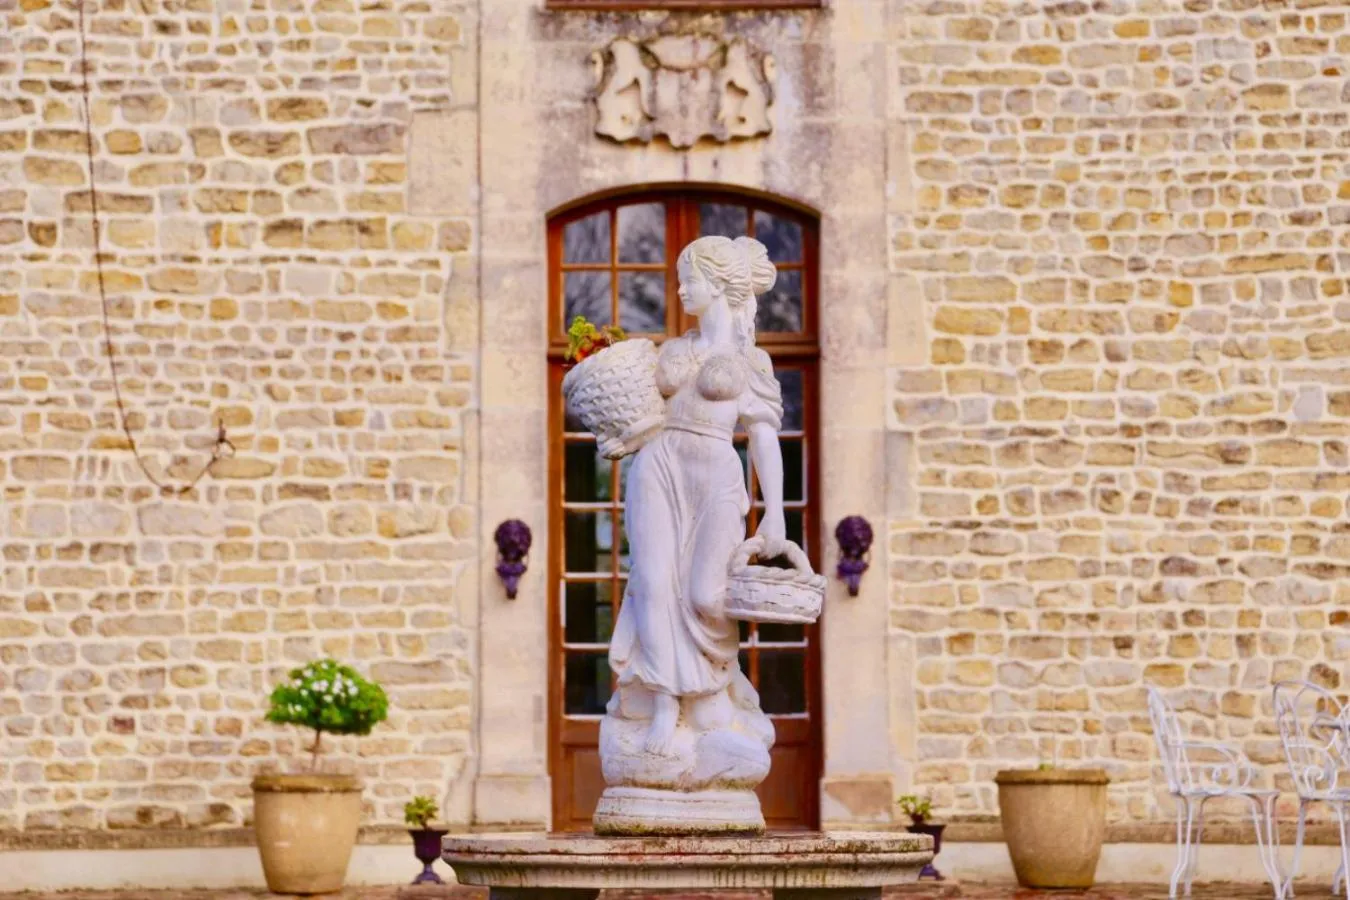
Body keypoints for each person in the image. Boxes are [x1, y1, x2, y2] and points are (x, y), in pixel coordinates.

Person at [602, 235, 787, 755]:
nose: (682, 290)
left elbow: (764, 440)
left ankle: (714, 688)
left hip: (716, 477)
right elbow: (643, 420)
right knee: (654, 584)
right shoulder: (675, 352)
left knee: (708, 595)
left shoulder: (750, 363)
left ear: (720, 286)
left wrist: (775, 512)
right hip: (659, 468)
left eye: (691, 280)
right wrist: (621, 437)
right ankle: (664, 704)